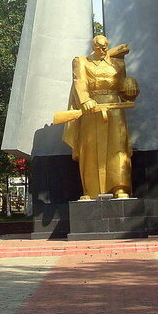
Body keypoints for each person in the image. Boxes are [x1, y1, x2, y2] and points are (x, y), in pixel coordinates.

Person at [61, 34, 139, 199]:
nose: (102, 50)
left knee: (118, 147)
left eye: (105, 47)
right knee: (89, 148)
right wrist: (85, 100)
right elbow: (79, 82)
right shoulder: (81, 61)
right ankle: (91, 191)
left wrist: (130, 85)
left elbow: (124, 92)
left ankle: (119, 187)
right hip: (92, 109)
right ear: (93, 46)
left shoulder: (117, 63)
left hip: (115, 109)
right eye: (99, 47)